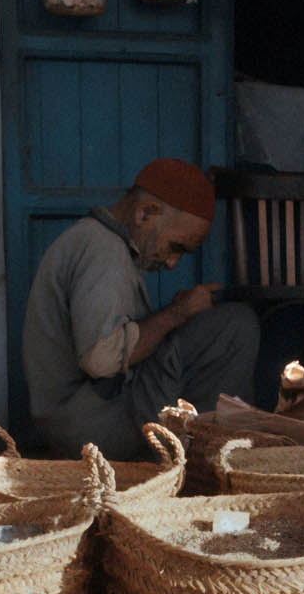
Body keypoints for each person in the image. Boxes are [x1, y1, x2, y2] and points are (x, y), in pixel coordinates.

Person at [22, 157, 260, 456]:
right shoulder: (103, 249)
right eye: (176, 248)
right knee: (235, 326)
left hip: (80, 420)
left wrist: (176, 316)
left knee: (218, 326)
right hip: (90, 427)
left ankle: (207, 449)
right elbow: (101, 360)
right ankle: (209, 456)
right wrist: (176, 314)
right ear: (146, 212)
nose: (172, 263)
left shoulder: (102, 242)